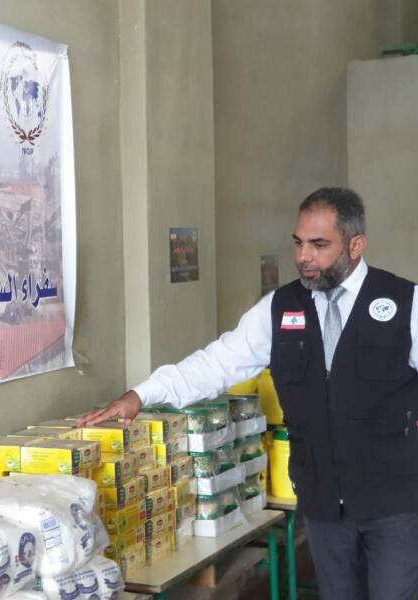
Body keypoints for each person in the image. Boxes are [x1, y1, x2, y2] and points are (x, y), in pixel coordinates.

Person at [77, 187, 418, 600]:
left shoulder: (404, 303)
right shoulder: (280, 307)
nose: (304, 256)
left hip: (394, 500)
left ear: (355, 245)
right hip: (323, 501)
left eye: (319, 245)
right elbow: (216, 363)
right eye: (298, 243)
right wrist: (141, 395)